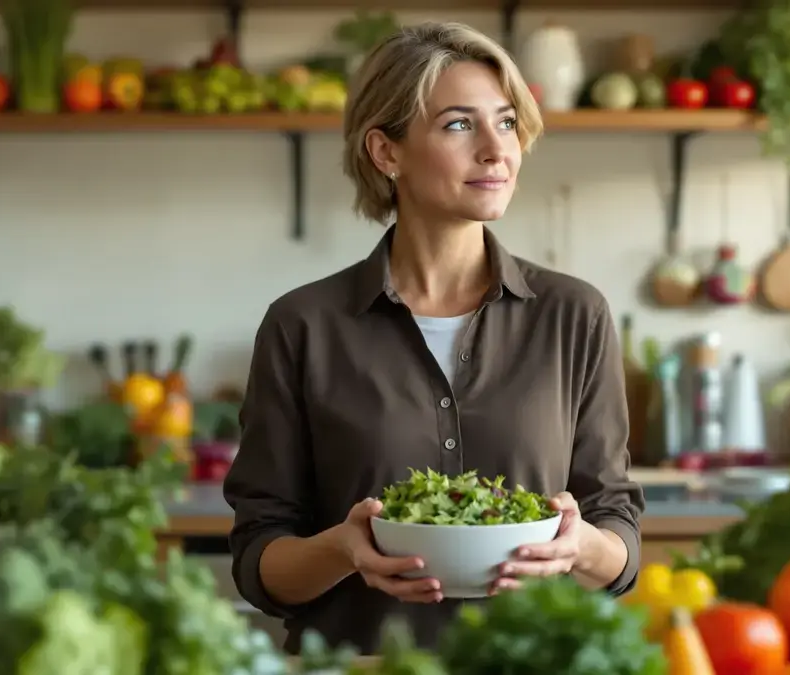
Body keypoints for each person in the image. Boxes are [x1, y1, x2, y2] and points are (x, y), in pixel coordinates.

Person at [224, 21, 644, 655]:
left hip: (526, 665)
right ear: (385, 152)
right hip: (362, 663)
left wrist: (581, 545)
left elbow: (618, 535)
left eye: (506, 123)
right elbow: (260, 561)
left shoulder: (573, 315)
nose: (496, 151)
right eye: (457, 125)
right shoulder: (302, 326)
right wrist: (342, 550)